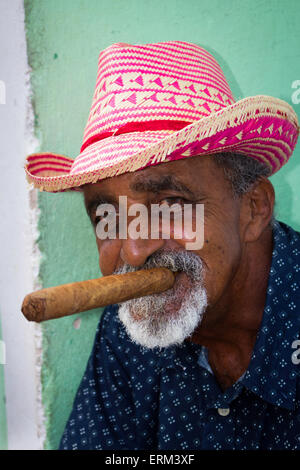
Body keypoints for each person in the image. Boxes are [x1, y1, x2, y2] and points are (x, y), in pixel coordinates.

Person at [25, 41, 300, 450]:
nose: (133, 253)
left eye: (170, 204)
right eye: (107, 216)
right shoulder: (133, 325)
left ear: (254, 209)